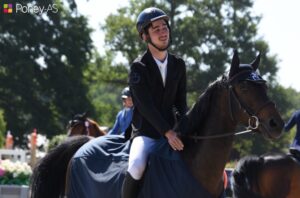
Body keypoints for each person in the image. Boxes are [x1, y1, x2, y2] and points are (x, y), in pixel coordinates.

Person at [122, 7, 187, 198]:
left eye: (165, 27)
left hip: (173, 131)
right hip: (146, 133)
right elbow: (145, 107)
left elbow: (181, 103)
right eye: (156, 29)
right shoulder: (138, 67)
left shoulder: (179, 64)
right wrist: (167, 133)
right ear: (145, 36)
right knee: (136, 165)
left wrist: (185, 127)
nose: (163, 32)